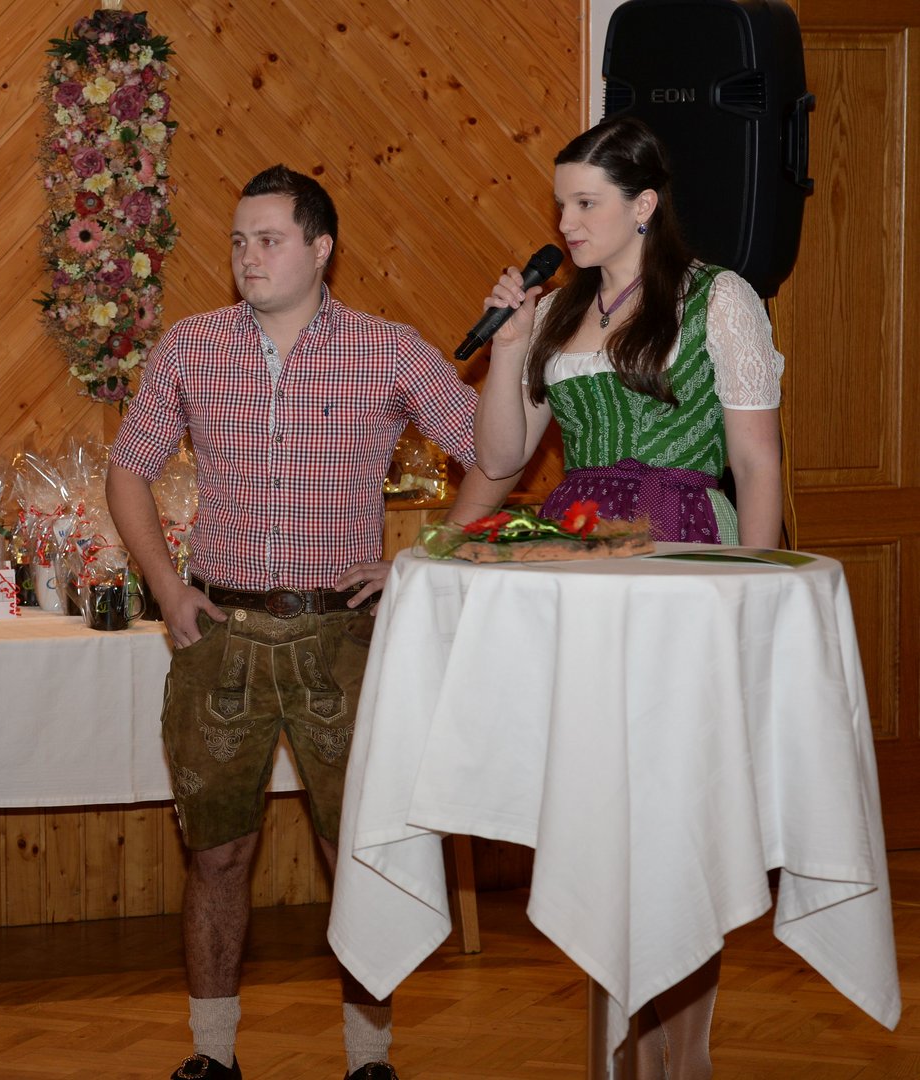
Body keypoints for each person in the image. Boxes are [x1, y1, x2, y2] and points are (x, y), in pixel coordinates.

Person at [106, 165, 517, 1080]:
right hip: (218, 632)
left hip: (343, 637)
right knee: (218, 853)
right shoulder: (190, 346)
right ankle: (211, 1055)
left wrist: (423, 556)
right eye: (238, 241)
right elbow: (127, 468)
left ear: (320, 248)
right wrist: (167, 589)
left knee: (357, 854)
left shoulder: (389, 349)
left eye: (269, 240)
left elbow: (494, 456)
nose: (247, 257)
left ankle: (368, 1059)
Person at [472, 116, 784, 1079]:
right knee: (600, 818)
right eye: (560, 203)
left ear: (643, 205)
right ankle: (616, 1051)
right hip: (575, 564)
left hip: (679, 560)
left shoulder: (716, 299)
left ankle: (679, 1056)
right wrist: (508, 347)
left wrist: (753, 595)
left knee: (672, 820)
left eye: (585, 203)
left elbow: (755, 461)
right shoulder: (554, 315)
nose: (565, 222)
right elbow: (500, 457)